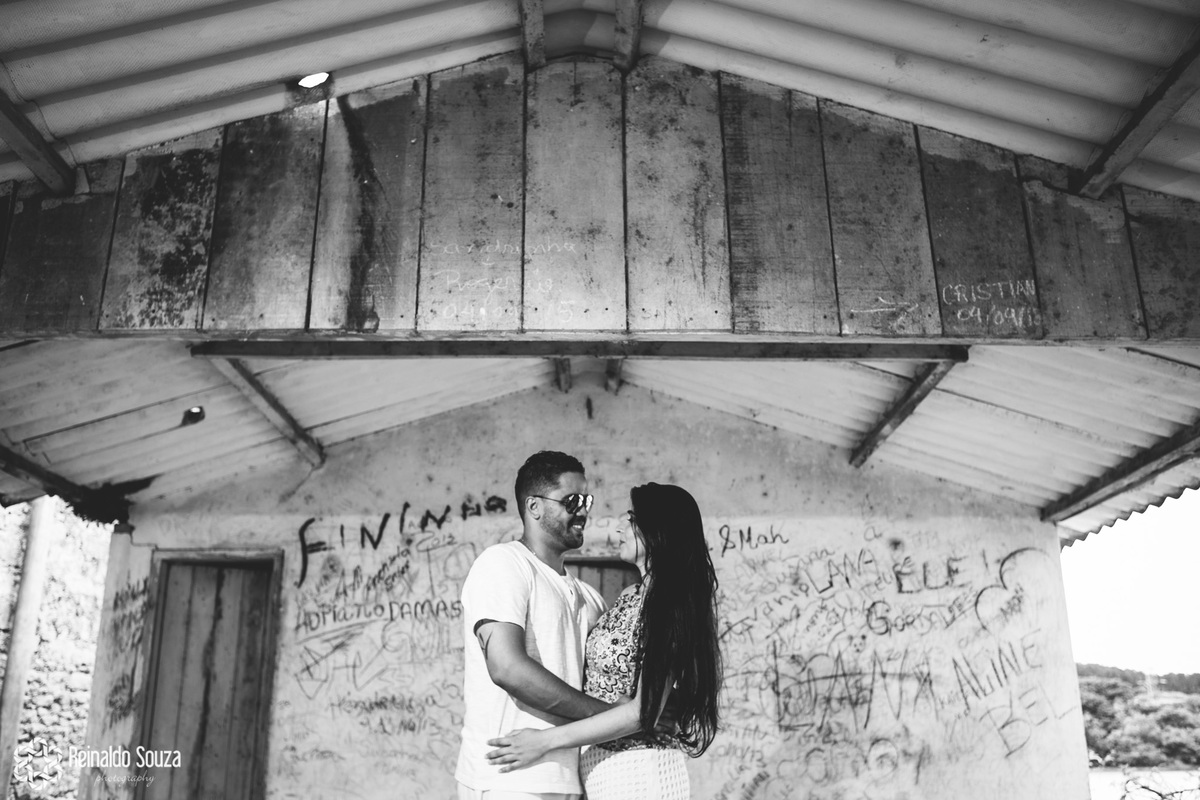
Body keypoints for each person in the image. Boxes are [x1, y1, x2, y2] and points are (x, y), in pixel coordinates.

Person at [484, 482, 722, 800]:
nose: (620, 526)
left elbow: (641, 713)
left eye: (633, 519)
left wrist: (544, 741)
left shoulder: (670, 603)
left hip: (640, 773)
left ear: (659, 531)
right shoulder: (630, 595)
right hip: (605, 774)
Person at [455, 450, 612, 800]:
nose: (583, 510)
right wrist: (609, 718)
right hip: (508, 779)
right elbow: (507, 667)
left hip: (570, 781)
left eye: (586, 500)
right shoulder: (504, 564)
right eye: (571, 500)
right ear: (534, 506)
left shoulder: (589, 597)